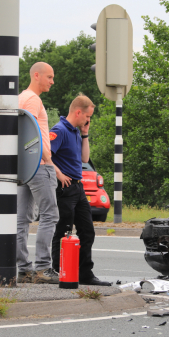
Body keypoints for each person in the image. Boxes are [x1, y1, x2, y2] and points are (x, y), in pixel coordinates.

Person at [50, 94, 112, 287]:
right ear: (78, 112)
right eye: (87, 116)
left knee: (87, 231)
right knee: (64, 230)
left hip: (78, 187)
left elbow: (85, 159)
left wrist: (85, 134)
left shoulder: (76, 132)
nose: (88, 120)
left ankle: (85, 273)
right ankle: (59, 270)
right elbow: (45, 156)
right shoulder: (59, 130)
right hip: (64, 187)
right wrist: (59, 174)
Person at [16, 62, 60, 284]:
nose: (52, 81)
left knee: (22, 219)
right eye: (49, 77)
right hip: (39, 165)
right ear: (36, 75)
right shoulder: (33, 99)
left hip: (23, 166)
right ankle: (43, 268)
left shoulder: (20, 98)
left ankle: (23, 269)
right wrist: (47, 159)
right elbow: (30, 133)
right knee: (50, 215)